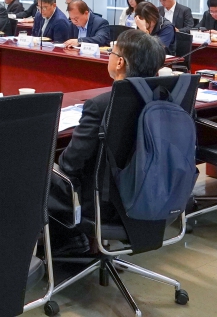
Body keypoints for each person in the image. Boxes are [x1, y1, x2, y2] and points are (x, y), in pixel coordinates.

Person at [50, 31, 165, 227]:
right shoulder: (163, 100)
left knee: (40, 170)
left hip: (101, 203)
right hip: (150, 196)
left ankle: (67, 240)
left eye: (111, 52)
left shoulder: (100, 106)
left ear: (119, 63)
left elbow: (70, 163)